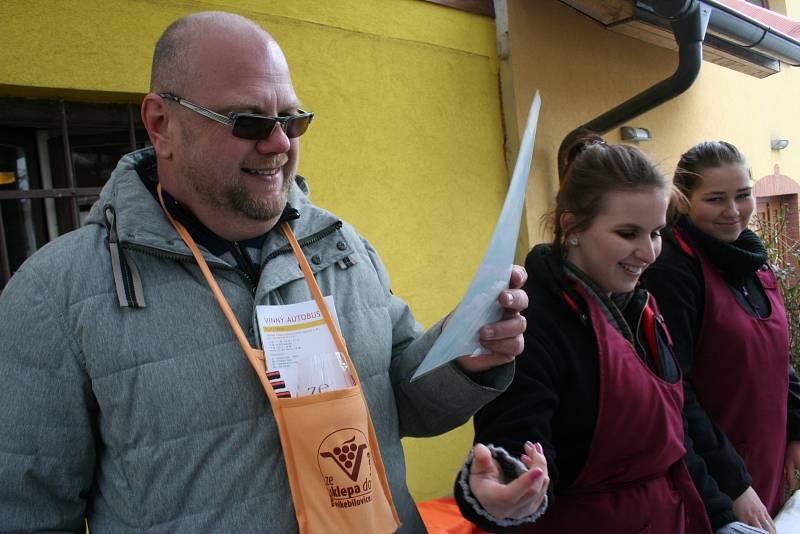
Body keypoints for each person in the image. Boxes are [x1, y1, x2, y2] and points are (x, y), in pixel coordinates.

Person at [0, 12, 535, 533]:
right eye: (249, 121)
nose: (279, 143)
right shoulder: (56, 293)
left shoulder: (341, 247)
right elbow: (26, 509)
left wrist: (464, 360)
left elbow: (403, 403)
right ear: (161, 124)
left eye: (292, 119)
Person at [454, 135, 765, 533]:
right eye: (628, 233)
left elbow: (676, 434)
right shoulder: (530, 322)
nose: (650, 252)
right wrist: (505, 488)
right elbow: (514, 439)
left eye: (655, 233)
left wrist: (721, 517)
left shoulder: (641, 306)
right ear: (572, 227)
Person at [640, 141, 800, 533]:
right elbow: (676, 393)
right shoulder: (672, 271)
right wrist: (732, 485)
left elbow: (778, 358)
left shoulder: (748, 258)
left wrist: (797, 429)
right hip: (711, 480)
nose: (733, 211)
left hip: (765, 463)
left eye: (743, 195)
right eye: (715, 199)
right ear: (684, 201)